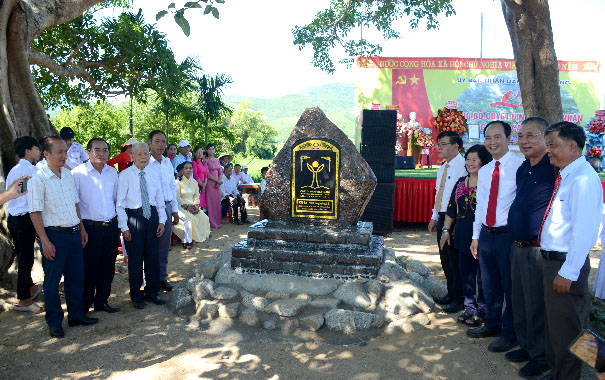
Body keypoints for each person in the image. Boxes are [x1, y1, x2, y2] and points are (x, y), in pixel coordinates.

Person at [540, 122, 603, 380]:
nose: (549, 151)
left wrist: (569, 271)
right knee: (560, 327)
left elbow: (584, 232)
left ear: (573, 146)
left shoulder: (583, 180)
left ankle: (586, 369)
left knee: (569, 329)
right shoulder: (568, 175)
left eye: (553, 146)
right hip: (554, 263)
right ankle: (561, 372)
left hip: (565, 265)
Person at [27, 137, 98, 338]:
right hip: (54, 236)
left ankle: (76, 315)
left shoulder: (67, 175)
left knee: (76, 278)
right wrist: (45, 240)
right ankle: (54, 321)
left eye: (65, 152)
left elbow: (76, 204)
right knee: (52, 282)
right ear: (46, 154)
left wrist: (82, 228)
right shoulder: (38, 179)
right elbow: (35, 212)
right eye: (59, 152)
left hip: (75, 233)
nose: (64, 156)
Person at [469, 120, 524, 353]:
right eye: (488, 138)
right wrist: (475, 236)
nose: (493, 142)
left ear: (509, 138)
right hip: (487, 235)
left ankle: (510, 333)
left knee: (510, 286)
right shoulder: (485, 170)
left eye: (497, 137)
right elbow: (480, 205)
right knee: (489, 285)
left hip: (508, 236)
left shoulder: (521, 166)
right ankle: (492, 324)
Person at [505, 117, 554, 378]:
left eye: (531, 135)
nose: (523, 141)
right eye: (521, 136)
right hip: (516, 246)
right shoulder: (524, 168)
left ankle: (541, 356)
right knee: (519, 302)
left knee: (537, 305)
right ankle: (525, 346)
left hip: (538, 249)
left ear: (547, 139)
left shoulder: (554, 168)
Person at [440, 144, 491, 329]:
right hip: (462, 234)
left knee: (483, 276)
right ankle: (470, 307)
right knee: (466, 273)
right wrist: (446, 231)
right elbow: (451, 210)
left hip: (482, 236)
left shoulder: (489, 182)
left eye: (474, 159)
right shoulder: (461, 182)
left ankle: (483, 311)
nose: (470, 163)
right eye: (468, 159)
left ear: (484, 161)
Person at [71, 138, 120, 314]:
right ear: (89, 152)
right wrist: (81, 228)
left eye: (105, 150)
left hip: (111, 226)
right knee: (89, 267)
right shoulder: (78, 173)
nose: (101, 154)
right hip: (89, 229)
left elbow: (116, 200)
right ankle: (84, 305)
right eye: (97, 150)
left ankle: (102, 301)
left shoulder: (112, 172)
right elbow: (73, 203)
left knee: (107, 266)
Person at [116, 142, 167, 309]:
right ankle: (136, 295)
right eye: (140, 154)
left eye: (146, 154)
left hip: (151, 216)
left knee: (153, 256)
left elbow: (159, 199)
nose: (144, 157)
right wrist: (124, 227)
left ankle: (152, 292)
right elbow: (120, 205)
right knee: (136, 259)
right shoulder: (125, 175)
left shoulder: (153, 173)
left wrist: (161, 220)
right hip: (135, 218)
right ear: (132, 156)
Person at [428, 131, 467, 313]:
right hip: (443, 216)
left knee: (456, 259)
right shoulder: (443, 167)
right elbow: (439, 194)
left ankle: (460, 299)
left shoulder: (464, 165)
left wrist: (453, 223)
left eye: (443, 144)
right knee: (445, 258)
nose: (439, 148)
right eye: (438, 144)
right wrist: (434, 217)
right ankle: (451, 294)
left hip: (457, 219)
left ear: (455, 146)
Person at [6, 136, 41, 312]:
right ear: (28, 151)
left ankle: (31, 288)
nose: (39, 152)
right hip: (24, 218)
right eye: (36, 148)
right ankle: (24, 300)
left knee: (24, 256)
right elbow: (29, 194)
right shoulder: (30, 171)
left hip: (14, 217)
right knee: (25, 259)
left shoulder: (15, 169)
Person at [148, 130, 180, 292]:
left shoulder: (167, 163)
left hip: (167, 207)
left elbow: (172, 187)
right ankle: (150, 281)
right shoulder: (145, 162)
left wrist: (174, 210)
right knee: (151, 246)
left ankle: (162, 278)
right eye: (157, 141)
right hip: (151, 209)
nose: (161, 145)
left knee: (164, 246)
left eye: (163, 142)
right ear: (150, 144)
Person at [174, 162, 211, 248]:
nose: (188, 170)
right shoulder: (177, 182)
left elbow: (196, 195)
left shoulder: (194, 182)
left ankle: (201, 235)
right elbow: (177, 198)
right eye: (186, 168)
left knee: (204, 217)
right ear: (182, 170)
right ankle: (187, 240)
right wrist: (187, 207)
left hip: (193, 205)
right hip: (181, 206)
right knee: (190, 220)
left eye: (190, 168)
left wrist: (196, 206)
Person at [204, 143, 223, 228]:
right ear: (207, 150)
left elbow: (220, 172)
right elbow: (207, 174)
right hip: (210, 183)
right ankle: (212, 222)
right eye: (209, 149)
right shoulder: (205, 160)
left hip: (217, 184)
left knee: (217, 202)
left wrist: (219, 182)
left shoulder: (217, 160)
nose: (211, 151)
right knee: (210, 203)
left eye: (213, 149)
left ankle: (218, 221)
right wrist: (217, 181)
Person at [192, 146, 208, 210]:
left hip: (203, 185)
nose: (200, 154)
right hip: (197, 185)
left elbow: (205, 174)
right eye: (198, 152)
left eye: (201, 152)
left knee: (203, 205)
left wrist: (204, 184)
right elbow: (195, 175)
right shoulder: (194, 162)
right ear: (194, 153)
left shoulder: (202, 162)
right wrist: (201, 184)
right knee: (198, 202)